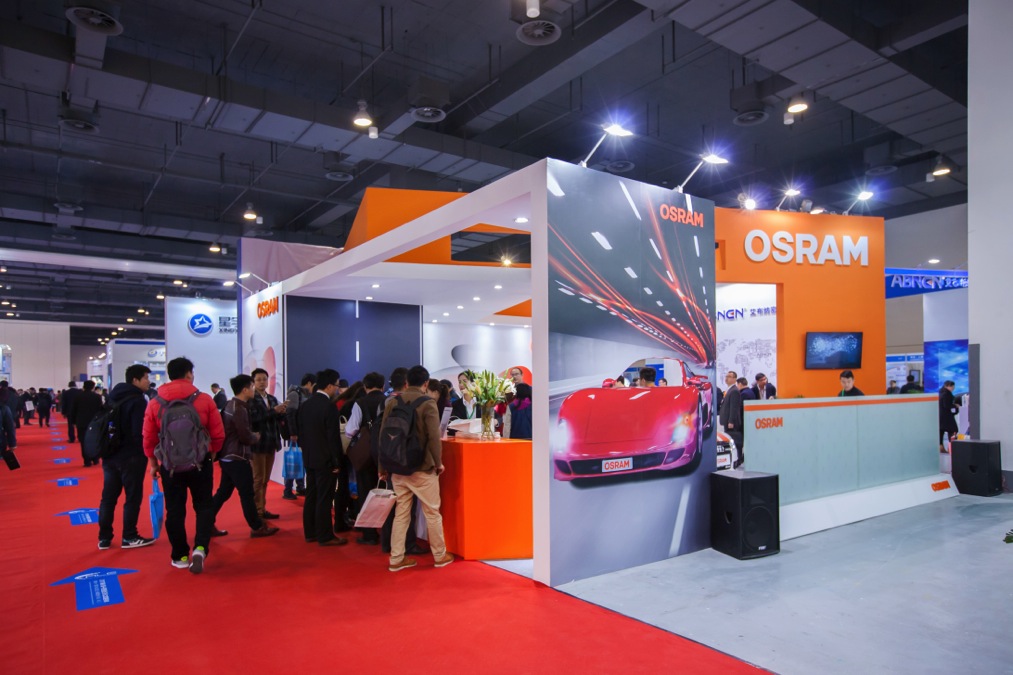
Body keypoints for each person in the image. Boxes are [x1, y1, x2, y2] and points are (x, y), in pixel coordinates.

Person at [143, 357, 226, 573]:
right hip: (200, 462)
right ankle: (200, 548)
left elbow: (149, 438)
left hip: (169, 465)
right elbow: (218, 433)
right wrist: (212, 454)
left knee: (175, 510)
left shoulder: (155, 403)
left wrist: (153, 463)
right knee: (204, 506)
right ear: (189, 374)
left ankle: (179, 555)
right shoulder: (204, 399)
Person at [379, 365, 454, 572]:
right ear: (426, 383)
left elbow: (383, 435)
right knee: (432, 512)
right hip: (422, 468)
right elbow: (433, 438)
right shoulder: (428, 403)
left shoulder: (392, 402)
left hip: (397, 467)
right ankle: (440, 555)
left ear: (406, 382)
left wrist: (383, 466)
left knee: (401, 513)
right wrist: (438, 463)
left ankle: (396, 558)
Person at [211, 374, 279, 538]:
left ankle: (206, 521)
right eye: (252, 386)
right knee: (247, 493)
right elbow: (244, 436)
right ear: (245, 389)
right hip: (237, 457)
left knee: (224, 492)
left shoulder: (232, 405)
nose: (254, 388)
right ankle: (257, 526)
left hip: (229, 456)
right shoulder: (239, 409)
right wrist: (255, 437)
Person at [98, 365, 157, 551]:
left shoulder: (112, 397)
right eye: (145, 377)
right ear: (135, 380)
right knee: (132, 497)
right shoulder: (137, 400)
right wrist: (147, 453)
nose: (148, 381)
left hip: (110, 455)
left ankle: (104, 538)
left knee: (108, 498)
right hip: (131, 456)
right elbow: (139, 432)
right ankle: (129, 536)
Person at [298, 368, 347, 546]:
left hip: (309, 457)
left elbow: (301, 433)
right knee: (325, 497)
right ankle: (325, 535)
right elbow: (332, 437)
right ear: (329, 386)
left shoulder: (306, 405)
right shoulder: (329, 407)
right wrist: (336, 461)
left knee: (312, 495)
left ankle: (310, 532)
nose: (338, 389)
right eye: (337, 385)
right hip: (326, 459)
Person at [344, 371, 386, 545]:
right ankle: (387, 531)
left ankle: (369, 534)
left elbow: (350, 430)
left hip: (366, 454)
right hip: (385, 453)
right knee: (385, 492)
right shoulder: (388, 401)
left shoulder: (360, 403)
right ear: (383, 386)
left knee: (366, 491)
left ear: (365, 386)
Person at [248, 367, 286, 521]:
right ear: (253, 382)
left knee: (265, 480)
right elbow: (254, 419)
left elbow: (276, 419)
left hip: (271, 442)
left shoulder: (272, 398)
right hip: (258, 444)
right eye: (259, 380)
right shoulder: (251, 399)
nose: (262, 382)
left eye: (264, 379)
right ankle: (257, 511)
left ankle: (262, 508)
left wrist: (282, 412)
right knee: (258, 479)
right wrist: (274, 411)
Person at [282, 373, 315, 500]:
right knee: (293, 462)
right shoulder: (295, 394)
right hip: (296, 435)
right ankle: (288, 489)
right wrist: (293, 433)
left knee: (300, 461)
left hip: (303, 434)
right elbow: (290, 415)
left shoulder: (305, 395)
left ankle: (300, 487)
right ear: (309, 383)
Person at [74, 381, 104, 467]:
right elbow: (100, 410)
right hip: (94, 422)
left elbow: (74, 410)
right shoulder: (97, 397)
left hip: (81, 422)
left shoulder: (78, 396)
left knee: (83, 441)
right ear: (93, 387)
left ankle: (87, 461)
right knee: (95, 440)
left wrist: (73, 421)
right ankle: (95, 459)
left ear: (84, 386)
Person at [719, 371, 744, 467]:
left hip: (731, 423)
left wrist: (731, 421)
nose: (726, 378)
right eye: (726, 376)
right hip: (727, 421)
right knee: (731, 440)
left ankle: (738, 459)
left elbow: (734, 407)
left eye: (729, 376)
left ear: (734, 379)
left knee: (735, 441)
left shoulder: (734, 391)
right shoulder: (729, 390)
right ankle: (735, 459)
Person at [938, 380, 960, 453]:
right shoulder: (946, 394)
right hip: (947, 416)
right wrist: (955, 406)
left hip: (941, 416)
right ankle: (952, 448)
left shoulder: (941, 393)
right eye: (952, 387)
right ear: (948, 386)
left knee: (941, 432)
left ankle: (941, 446)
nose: (953, 388)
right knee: (953, 430)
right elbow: (947, 405)